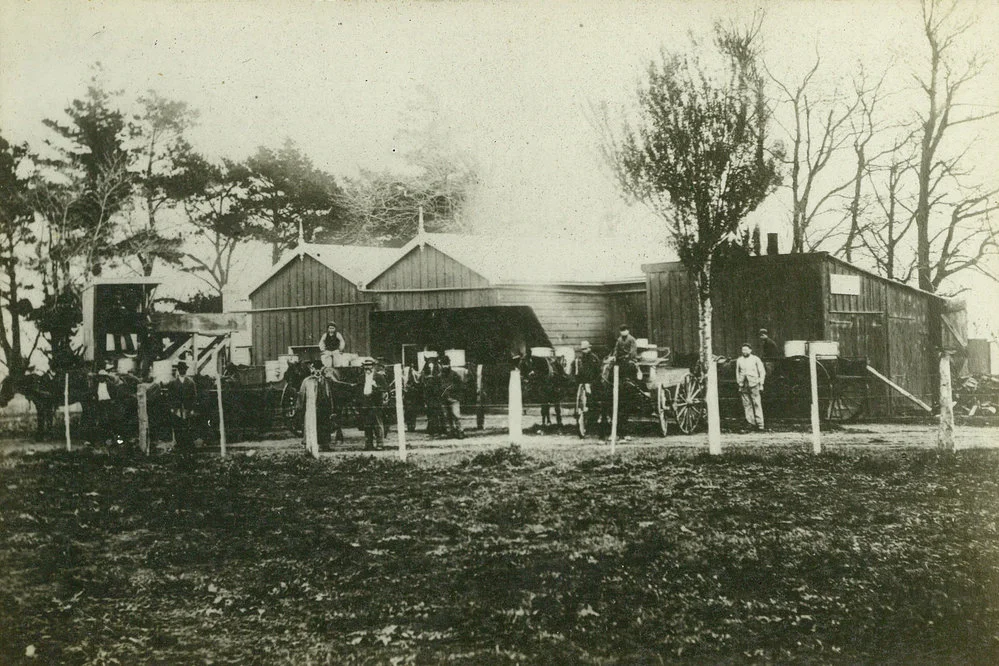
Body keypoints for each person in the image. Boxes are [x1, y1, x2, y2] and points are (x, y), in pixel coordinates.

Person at [297, 360, 334, 455]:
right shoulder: (307, 381)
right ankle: (311, 445)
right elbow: (301, 395)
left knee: (324, 425)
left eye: (319, 369)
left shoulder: (325, 381)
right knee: (312, 425)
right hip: (312, 407)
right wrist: (300, 407)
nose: (317, 371)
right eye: (314, 369)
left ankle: (325, 444)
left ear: (322, 369)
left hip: (324, 407)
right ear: (311, 369)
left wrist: (331, 407)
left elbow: (329, 395)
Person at [168, 360, 199, 453]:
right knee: (178, 427)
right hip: (177, 408)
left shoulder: (190, 382)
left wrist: (193, 409)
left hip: (187, 408)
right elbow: (170, 396)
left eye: (184, 369)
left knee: (188, 426)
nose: (182, 371)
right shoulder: (173, 383)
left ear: (186, 370)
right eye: (181, 369)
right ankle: (179, 444)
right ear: (178, 370)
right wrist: (172, 408)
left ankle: (188, 446)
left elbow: (194, 396)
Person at [735, 343, 766, 431]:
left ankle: (760, 424)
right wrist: (739, 383)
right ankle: (751, 422)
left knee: (756, 403)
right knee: (746, 404)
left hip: (754, 383)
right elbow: (737, 372)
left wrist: (761, 384)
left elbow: (762, 372)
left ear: (750, 350)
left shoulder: (755, 359)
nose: (744, 352)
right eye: (743, 350)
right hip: (743, 384)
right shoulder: (739, 360)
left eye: (746, 350)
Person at [360, 358, 386, 449]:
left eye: (369, 365)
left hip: (375, 402)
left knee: (377, 424)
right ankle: (368, 444)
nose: (367, 367)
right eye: (366, 365)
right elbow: (358, 390)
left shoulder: (379, 377)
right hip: (365, 403)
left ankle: (380, 444)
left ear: (373, 366)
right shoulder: (361, 377)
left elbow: (386, 389)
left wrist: (376, 386)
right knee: (367, 424)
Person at [438, 355, 465, 439]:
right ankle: (449, 431)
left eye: (446, 364)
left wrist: (455, 393)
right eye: (443, 364)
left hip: (454, 398)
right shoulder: (439, 376)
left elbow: (461, 385)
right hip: (443, 399)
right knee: (446, 416)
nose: (445, 366)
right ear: (441, 365)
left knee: (456, 415)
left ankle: (460, 431)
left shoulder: (454, 374)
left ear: (449, 364)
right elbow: (436, 388)